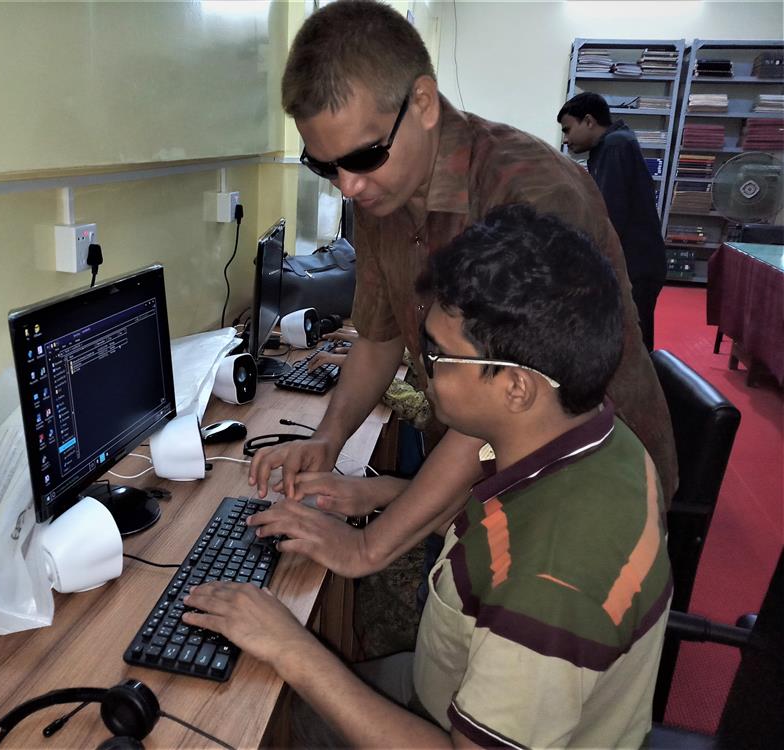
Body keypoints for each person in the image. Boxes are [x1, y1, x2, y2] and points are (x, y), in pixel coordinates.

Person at [185, 205, 672, 748]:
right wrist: (376, 493)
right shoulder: (591, 436)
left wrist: (291, 647)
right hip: (458, 688)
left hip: (454, 726)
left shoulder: (551, 586)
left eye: (439, 355)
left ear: (516, 389)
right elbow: (504, 526)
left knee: (251, 717)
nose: (425, 368)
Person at [245, 0, 676, 584]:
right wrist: (327, 440)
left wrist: (368, 549)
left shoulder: (529, 192)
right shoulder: (383, 194)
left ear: (422, 103)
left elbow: (500, 401)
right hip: (489, 472)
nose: (349, 185)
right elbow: (377, 337)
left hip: (578, 497)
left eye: (363, 156)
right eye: (325, 167)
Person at [558, 92, 668, 351]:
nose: (565, 139)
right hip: (637, 261)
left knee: (633, 340)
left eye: (568, 129)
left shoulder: (615, 146)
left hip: (636, 264)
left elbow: (609, 215)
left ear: (588, 121)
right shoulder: (610, 145)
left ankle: (642, 391)